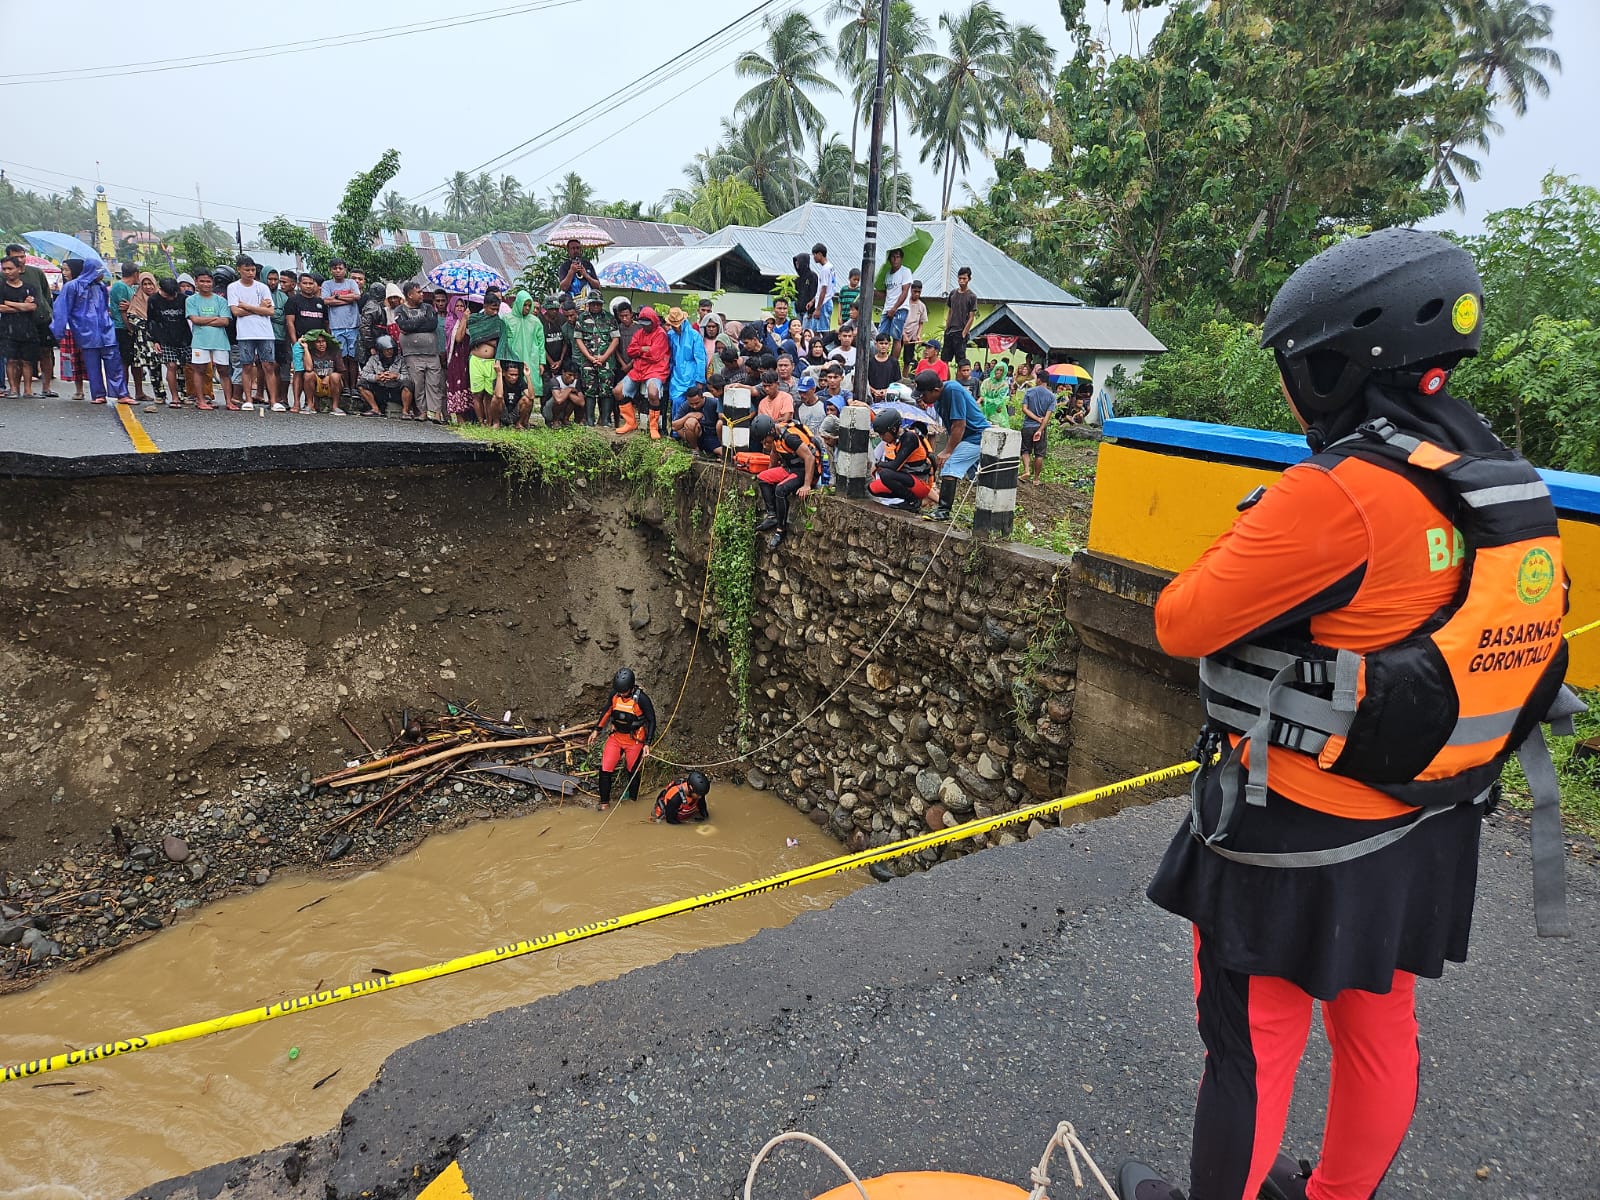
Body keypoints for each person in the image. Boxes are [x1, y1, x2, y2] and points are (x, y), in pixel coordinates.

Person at [1117, 229, 1573, 1200]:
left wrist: (1257, 525)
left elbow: (1181, 619)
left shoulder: (1339, 495)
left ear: (1334, 367)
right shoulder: (1498, 477)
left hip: (1298, 828)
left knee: (1254, 1049)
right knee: (1378, 1028)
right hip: (1430, 812)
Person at [916, 368, 989, 521]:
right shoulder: (938, 400)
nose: (922, 398)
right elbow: (951, 427)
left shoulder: (952, 390)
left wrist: (948, 451)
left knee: (950, 465)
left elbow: (959, 424)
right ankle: (981, 515)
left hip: (976, 436)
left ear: (935, 390)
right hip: (966, 438)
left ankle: (943, 511)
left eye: (924, 394)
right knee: (979, 478)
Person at [50, 258, 126, 404]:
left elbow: (105, 307)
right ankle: (98, 395)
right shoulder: (72, 286)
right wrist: (58, 332)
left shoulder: (101, 286)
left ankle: (122, 394)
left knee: (114, 363)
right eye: (100, 271)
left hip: (106, 330)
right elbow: (61, 310)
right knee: (92, 366)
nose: (102, 275)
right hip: (85, 331)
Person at [587, 668, 657, 811]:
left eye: (623, 692)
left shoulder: (642, 699)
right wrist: (596, 730)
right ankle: (604, 803)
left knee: (633, 771)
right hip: (616, 737)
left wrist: (648, 743)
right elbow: (607, 712)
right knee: (605, 769)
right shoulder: (615, 695)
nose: (620, 694)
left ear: (631, 688)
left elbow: (651, 720)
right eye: (618, 691)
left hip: (634, 740)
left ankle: (632, 802)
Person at [750, 412, 817, 550]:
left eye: (764, 440)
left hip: (803, 470)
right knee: (763, 477)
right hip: (789, 467)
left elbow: (809, 458)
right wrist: (769, 472)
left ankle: (781, 530)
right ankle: (772, 515)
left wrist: (806, 485)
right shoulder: (775, 437)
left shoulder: (789, 437)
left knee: (780, 490)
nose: (764, 443)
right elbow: (774, 454)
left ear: (771, 431)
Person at [228, 258, 278, 411]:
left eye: (253, 270)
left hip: (265, 332)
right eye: (247, 270)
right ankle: (248, 399)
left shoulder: (262, 287)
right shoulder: (233, 287)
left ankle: (273, 401)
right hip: (245, 333)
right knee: (247, 366)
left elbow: (270, 311)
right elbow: (236, 312)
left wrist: (247, 306)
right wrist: (259, 308)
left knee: (268, 365)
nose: (250, 273)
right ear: (239, 270)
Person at [6, 244, 56, 397]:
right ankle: (17, 388)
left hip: (41, 319)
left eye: (23, 256)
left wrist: (47, 312)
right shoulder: (5, 276)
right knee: (18, 356)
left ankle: (46, 387)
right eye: (16, 257)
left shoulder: (36, 273)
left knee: (45, 352)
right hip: (17, 322)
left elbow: (46, 295)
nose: (21, 260)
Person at [868, 409, 935, 513]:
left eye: (883, 434)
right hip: (907, 479)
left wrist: (878, 465)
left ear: (893, 429)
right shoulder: (895, 440)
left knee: (885, 474)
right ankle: (909, 500)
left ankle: (913, 502)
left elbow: (895, 466)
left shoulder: (909, 438)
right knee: (873, 488)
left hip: (919, 482)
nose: (881, 438)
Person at [185, 270, 234, 410]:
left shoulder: (221, 300)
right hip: (200, 340)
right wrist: (215, 318)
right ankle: (200, 400)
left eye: (208, 281)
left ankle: (229, 402)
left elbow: (225, 321)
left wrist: (203, 320)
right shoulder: (191, 300)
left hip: (220, 341)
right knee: (199, 369)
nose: (206, 284)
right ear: (196, 282)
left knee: (224, 370)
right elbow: (194, 319)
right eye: (202, 281)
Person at [396, 282, 444, 422]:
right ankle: (422, 412)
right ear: (410, 295)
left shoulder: (428, 307)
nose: (422, 294)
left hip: (431, 353)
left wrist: (412, 326)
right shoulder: (400, 310)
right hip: (412, 355)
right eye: (419, 292)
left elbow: (432, 324)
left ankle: (436, 413)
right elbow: (403, 325)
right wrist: (421, 322)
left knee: (434, 383)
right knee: (418, 384)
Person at [620, 305, 670, 438]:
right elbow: (630, 351)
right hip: (639, 369)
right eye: (643, 324)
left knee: (653, 393)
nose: (645, 327)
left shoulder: (660, 334)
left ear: (654, 321)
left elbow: (655, 355)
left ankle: (654, 427)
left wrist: (639, 351)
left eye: (648, 324)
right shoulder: (639, 332)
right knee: (617, 391)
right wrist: (643, 349)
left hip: (656, 370)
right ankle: (630, 422)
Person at [574, 291, 617, 426]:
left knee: (606, 389)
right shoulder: (581, 318)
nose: (595, 307)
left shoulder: (609, 318)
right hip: (588, 360)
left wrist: (604, 357)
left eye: (598, 304)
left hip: (606, 360)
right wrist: (590, 357)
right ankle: (590, 420)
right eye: (593, 304)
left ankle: (604, 420)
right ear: (588, 304)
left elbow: (615, 339)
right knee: (589, 389)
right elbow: (579, 339)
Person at [0, 256, 41, 398]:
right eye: (4, 269)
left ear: (18, 269)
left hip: (28, 329)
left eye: (10, 268)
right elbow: (1, 308)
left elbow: (33, 306)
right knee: (11, 360)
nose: (7, 272)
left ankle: (28, 390)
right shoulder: (1, 287)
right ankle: (13, 389)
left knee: (27, 361)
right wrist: (22, 306)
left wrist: (9, 303)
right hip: (7, 329)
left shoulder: (29, 288)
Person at [147, 277, 191, 408]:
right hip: (164, 338)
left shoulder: (183, 299)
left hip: (184, 338)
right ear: (160, 289)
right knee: (171, 366)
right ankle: (175, 397)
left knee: (185, 367)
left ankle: (185, 394)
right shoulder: (154, 300)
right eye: (168, 295)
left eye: (173, 295)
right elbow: (151, 321)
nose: (171, 298)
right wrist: (155, 340)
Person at [320, 259, 362, 396]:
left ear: (345, 270)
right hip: (336, 326)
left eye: (340, 268)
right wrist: (346, 298)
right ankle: (344, 387)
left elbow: (357, 296)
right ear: (330, 270)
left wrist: (336, 297)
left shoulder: (351, 283)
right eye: (334, 268)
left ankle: (353, 387)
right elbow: (326, 301)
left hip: (353, 326)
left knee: (353, 358)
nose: (337, 271)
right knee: (341, 357)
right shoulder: (327, 284)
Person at [498, 289, 548, 404]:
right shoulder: (507, 319)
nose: (527, 308)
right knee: (512, 386)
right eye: (524, 304)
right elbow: (502, 341)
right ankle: (512, 415)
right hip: (512, 359)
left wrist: (541, 362)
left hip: (531, 359)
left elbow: (541, 343)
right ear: (518, 303)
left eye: (529, 305)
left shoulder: (535, 322)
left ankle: (525, 419)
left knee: (530, 386)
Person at [665, 305, 706, 420]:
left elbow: (700, 359)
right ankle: (676, 430)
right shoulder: (670, 335)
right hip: (677, 375)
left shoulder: (694, 336)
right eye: (673, 326)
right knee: (676, 401)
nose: (676, 328)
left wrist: (700, 380)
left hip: (692, 375)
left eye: (677, 325)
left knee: (693, 403)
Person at [1019, 367, 1059, 483]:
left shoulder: (1030, 392)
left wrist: (1035, 418)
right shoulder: (1052, 397)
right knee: (1039, 454)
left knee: (1025, 450)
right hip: (1039, 428)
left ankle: (1026, 470)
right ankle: (1036, 479)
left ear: (1040, 380)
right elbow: (1047, 417)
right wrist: (1040, 429)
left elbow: (1024, 409)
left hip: (1027, 426)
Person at [357, 334, 411, 417]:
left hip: (395, 390)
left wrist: (397, 376)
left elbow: (408, 377)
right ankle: (375, 409)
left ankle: (405, 411)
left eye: (391, 349)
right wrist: (376, 377)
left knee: (408, 384)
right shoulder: (373, 359)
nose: (390, 352)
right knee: (361, 384)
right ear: (381, 350)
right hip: (380, 389)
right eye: (387, 350)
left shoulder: (401, 360)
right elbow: (364, 374)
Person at [109, 263, 140, 398]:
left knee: (134, 361)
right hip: (122, 327)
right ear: (136, 274)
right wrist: (129, 328)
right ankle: (124, 392)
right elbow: (123, 310)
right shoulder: (120, 286)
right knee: (125, 361)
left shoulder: (129, 288)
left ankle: (139, 392)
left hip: (129, 327)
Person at [877, 248, 914, 358]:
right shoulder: (887, 274)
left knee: (896, 337)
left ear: (901, 259)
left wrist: (894, 308)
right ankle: (882, 359)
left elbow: (905, 292)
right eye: (893, 257)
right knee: (881, 336)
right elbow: (886, 293)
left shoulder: (905, 271)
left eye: (897, 257)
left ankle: (893, 362)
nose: (895, 259)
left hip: (900, 308)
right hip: (887, 308)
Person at [298, 329, 345, 413]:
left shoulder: (334, 351)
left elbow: (341, 371)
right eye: (318, 342)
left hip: (331, 384)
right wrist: (305, 348)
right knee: (308, 375)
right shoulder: (310, 352)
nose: (321, 344)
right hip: (317, 384)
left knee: (335, 376)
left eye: (323, 341)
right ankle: (309, 405)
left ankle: (335, 406)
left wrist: (328, 376)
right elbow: (308, 368)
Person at [670, 382, 721, 456]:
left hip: (712, 436)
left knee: (722, 452)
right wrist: (688, 415)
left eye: (697, 403)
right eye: (691, 404)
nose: (694, 406)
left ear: (702, 397)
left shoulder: (714, 403)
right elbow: (674, 426)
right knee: (690, 422)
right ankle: (694, 448)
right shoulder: (686, 405)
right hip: (697, 435)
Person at [942, 267, 978, 364]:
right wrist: (946, 328)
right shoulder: (953, 293)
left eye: (964, 278)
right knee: (944, 360)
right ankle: (945, 379)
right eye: (960, 278)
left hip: (960, 332)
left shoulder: (972, 296)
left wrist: (964, 333)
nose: (961, 281)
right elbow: (950, 311)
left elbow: (971, 317)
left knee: (961, 362)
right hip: (950, 331)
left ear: (969, 279)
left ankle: (959, 380)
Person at [491, 359, 533, 429]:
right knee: (495, 399)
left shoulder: (520, 381)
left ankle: (519, 423)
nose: (514, 377)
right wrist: (499, 374)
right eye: (511, 375)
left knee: (527, 399)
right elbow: (499, 395)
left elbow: (531, 397)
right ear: (504, 373)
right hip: (503, 412)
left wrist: (528, 376)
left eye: (516, 375)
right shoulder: (498, 380)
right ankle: (496, 423)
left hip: (515, 412)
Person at [808, 243, 837, 332]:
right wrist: (813, 301)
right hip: (823, 302)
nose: (814, 258)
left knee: (823, 330)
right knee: (814, 331)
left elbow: (824, 289)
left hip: (824, 303)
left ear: (820, 254)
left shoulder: (825, 269)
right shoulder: (831, 267)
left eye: (815, 255)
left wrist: (818, 309)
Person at [900, 281, 928, 370]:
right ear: (911, 290)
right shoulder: (904, 302)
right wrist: (903, 334)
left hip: (912, 337)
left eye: (918, 292)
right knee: (894, 356)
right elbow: (899, 320)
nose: (916, 294)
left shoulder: (922, 306)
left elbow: (921, 323)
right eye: (914, 291)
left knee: (907, 360)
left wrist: (918, 335)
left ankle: (905, 378)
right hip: (900, 333)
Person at [865, 330, 900, 401]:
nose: (883, 346)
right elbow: (865, 380)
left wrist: (886, 391)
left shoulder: (894, 362)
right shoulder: (870, 362)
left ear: (889, 345)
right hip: (872, 397)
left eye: (886, 343)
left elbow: (897, 381)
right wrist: (874, 391)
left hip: (889, 396)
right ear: (876, 344)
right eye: (881, 343)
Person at [548, 360, 584, 427]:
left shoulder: (576, 382)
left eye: (574, 375)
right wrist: (569, 389)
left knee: (571, 398)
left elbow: (582, 402)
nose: (572, 378)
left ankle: (565, 419)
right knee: (561, 399)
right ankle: (555, 420)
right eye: (569, 375)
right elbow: (558, 400)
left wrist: (568, 394)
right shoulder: (555, 381)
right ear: (563, 372)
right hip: (549, 411)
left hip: (564, 409)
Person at [979, 359, 1013, 425]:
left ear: (1004, 372)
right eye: (997, 369)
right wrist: (983, 400)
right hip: (985, 409)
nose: (998, 372)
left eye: (1001, 370)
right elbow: (983, 394)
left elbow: (999, 399)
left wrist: (986, 399)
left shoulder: (1004, 385)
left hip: (997, 411)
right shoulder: (986, 381)